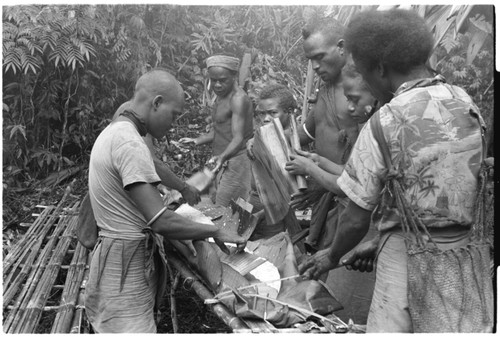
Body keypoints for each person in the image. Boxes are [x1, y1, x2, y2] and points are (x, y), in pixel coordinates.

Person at [298, 9, 486, 332]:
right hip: (466, 260)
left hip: (405, 265)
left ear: (381, 68)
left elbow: (356, 219)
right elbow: (445, 194)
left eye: (366, 72)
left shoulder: (385, 121)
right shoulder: (466, 104)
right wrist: (379, 239)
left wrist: (331, 256)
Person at [85, 69, 246, 333]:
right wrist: (216, 230)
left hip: (116, 260)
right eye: (174, 115)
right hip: (125, 269)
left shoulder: (115, 132)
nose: (173, 124)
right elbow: (160, 220)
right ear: (157, 103)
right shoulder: (129, 143)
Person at [285, 62, 379, 324]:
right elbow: (349, 172)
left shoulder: (378, 129)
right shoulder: (366, 126)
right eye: (347, 99)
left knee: (352, 305)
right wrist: (317, 159)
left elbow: (346, 185)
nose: (349, 107)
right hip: (357, 221)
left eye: (354, 99)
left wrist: (308, 168)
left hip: (366, 223)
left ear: (375, 92)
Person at [180, 55, 254, 207]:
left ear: (234, 76)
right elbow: (220, 131)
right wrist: (196, 141)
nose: (217, 85)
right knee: (215, 201)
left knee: (225, 209)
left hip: (236, 162)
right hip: (220, 160)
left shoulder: (238, 99)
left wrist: (222, 157)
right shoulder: (222, 96)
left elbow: (238, 138)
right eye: (213, 80)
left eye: (222, 80)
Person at [113, 100, 201, 206]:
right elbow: (151, 162)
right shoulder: (137, 115)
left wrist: (160, 187)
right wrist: (184, 188)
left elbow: (141, 166)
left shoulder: (134, 109)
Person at [246, 83, 297, 240]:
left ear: (289, 112)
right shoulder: (263, 134)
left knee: (272, 247)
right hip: (255, 198)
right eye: (262, 114)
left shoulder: (294, 138)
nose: (266, 119)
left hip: (276, 205)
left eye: (273, 113)